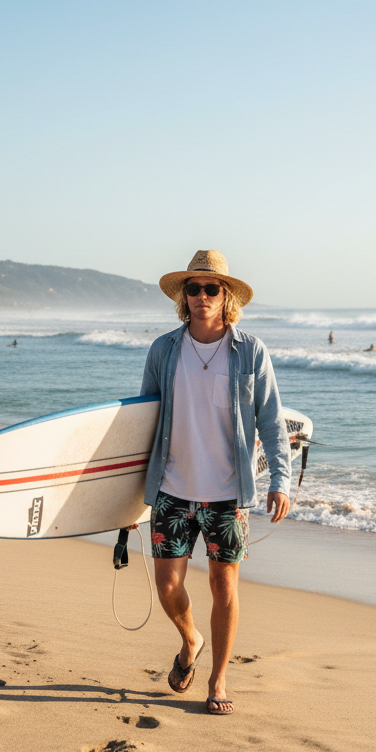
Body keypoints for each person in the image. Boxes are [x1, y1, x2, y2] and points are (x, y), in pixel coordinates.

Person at [138, 250, 291, 716]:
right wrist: (125, 494)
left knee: (225, 588)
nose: (202, 295)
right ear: (183, 297)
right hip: (172, 487)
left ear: (227, 297)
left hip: (227, 492)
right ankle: (191, 640)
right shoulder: (164, 349)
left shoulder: (250, 351)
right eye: (193, 288)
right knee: (167, 587)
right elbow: (142, 419)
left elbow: (271, 418)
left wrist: (280, 479)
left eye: (211, 288)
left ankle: (219, 678)